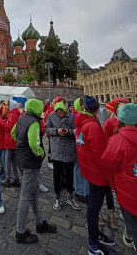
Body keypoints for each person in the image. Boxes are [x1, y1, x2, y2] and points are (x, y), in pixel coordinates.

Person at [11, 99, 57, 244]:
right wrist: (41, 153)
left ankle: (40, 222)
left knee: (34, 191)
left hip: (23, 159)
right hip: (30, 162)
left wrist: (21, 145)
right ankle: (20, 232)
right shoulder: (34, 123)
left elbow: (14, 133)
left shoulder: (22, 118)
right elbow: (33, 143)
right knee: (26, 196)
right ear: (37, 108)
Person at [75, 96, 115, 255]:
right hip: (97, 172)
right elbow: (101, 154)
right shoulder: (91, 125)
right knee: (94, 206)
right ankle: (93, 243)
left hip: (89, 169)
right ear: (97, 109)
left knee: (94, 204)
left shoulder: (81, 122)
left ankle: (96, 235)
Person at [102, 104, 137, 250]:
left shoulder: (117, 141)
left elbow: (108, 164)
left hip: (128, 194)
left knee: (134, 227)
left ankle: (130, 237)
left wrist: (114, 185)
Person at [45, 102, 81, 211]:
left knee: (70, 174)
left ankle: (70, 196)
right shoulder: (51, 117)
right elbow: (46, 129)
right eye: (59, 113)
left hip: (69, 149)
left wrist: (68, 132)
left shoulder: (71, 116)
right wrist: (57, 131)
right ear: (56, 111)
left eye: (62, 112)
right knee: (56, 174)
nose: (61, 114)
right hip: (57, 149)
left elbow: (76, 130)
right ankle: (57, 197)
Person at [0, 99, 21, 188]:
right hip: (12, 141)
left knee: (7, 161)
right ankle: (16, 179)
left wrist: (0, 121)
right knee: (13, 161)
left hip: (10, 141)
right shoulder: (13, 114)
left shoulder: (12, 115)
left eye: (7, 105)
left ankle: (7, 179)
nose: (6, 106)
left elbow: (9, 127)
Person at [73, 97, 89, 203]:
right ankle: (80, 191)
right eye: (82, 104)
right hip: (79, 145)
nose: (84, 107)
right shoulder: (76, 116)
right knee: (79, 169)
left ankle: (83, 190)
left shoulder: (82, 115)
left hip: (81, 144)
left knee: (81, 169)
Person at [44, 96, 66, 170]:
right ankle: (50, 161)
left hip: (62, 134)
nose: (62, 104)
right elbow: (47, 124)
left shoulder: (66, 112)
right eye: (60, 102)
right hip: (53, 134)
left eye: (63, 102)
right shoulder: (50, 112)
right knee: (51, 148)